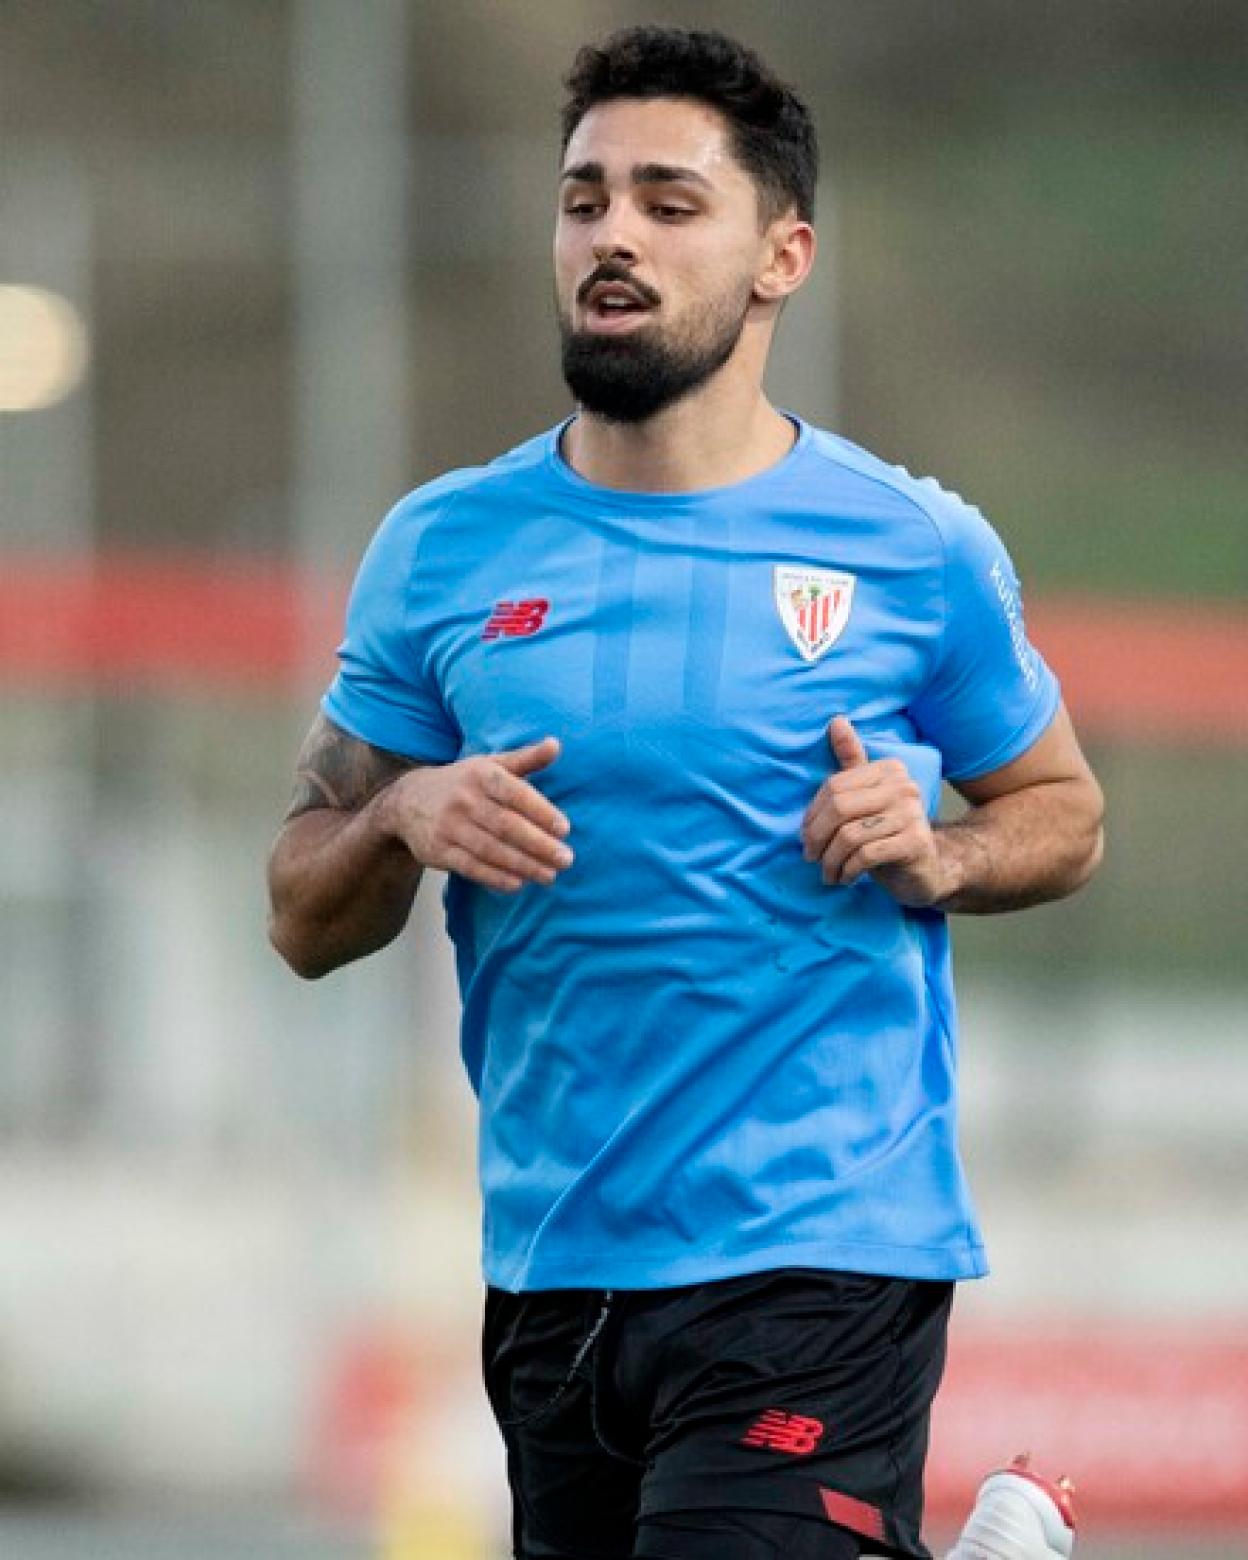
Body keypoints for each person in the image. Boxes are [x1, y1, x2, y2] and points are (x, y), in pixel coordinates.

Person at [268, 26, 1102, 1560]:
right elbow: (303, 910)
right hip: (552, 1264)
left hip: (820, 1246)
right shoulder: (441, 550)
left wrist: (944, 855)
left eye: (668, 202)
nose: (614, 239)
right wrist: (399, 817)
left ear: (782, 255)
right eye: (585, 200)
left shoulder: (910, 551)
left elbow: (1065, 813)